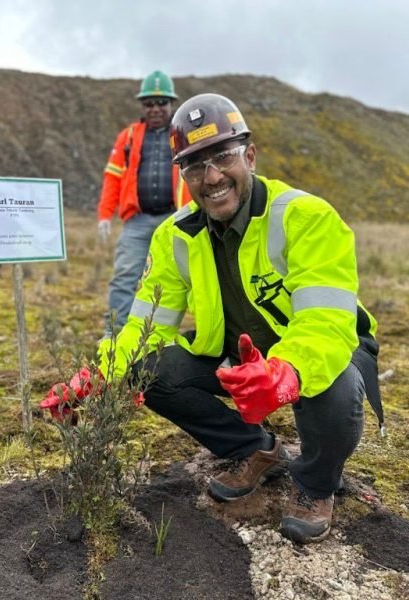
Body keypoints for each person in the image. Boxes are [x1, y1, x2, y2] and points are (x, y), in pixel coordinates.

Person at [48, 94, 383, 545]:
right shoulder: (175, 236)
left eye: (223, 156)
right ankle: (255, 450)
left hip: (321, 348)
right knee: (148, 369)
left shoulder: (307, 217)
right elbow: (146, 327)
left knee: (335, 385)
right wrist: (96, 376)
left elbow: (326, 323)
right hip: (237, 353)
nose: (211, 177)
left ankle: (315, 484)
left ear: (249, 154)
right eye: (193, 165)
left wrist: (285, 372)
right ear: (181, 174)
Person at [96, 70, 191, 335]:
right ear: (142, 106)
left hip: (178, 219)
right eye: (149, 103)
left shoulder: (184, 132)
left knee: (189, 278)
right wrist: (105, 215)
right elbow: (112, 177)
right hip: (137, 222)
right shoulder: (127, 137)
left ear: (171, 104)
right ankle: (114, 336)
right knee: (124, 277)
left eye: (162, 103)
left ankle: (173, 336)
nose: (156, 109)